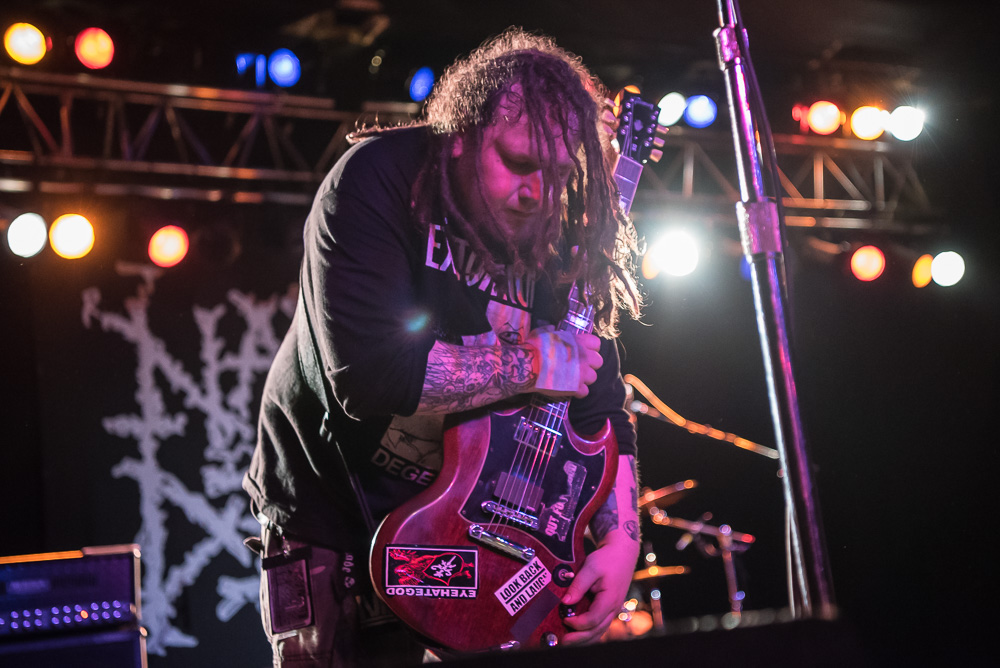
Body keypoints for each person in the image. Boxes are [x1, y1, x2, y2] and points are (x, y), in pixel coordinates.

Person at [243, 27, 643, 667]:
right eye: (517, 163)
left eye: (558, 172)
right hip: (332, 510)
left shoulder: (559, 231)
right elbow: (368, 377)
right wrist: (534, 362)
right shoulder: (376, 180)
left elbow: (598, 410)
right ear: (461, 134)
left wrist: (619, 543)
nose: (539, 192)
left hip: (472, 524)